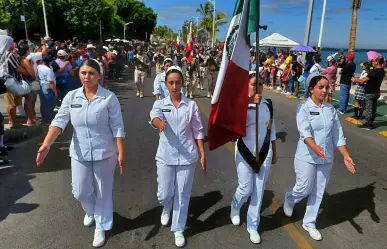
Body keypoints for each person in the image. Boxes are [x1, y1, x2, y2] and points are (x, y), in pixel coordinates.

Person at [36, 59, 125, 248]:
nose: (87, 77)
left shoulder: (109, 98)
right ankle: (92, 211)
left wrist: (121, 153)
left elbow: (118, 127)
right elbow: (59, 122)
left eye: (92, 73)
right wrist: (46, 144)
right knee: (79, 191)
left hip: (105, 152)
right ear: (79, 74)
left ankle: (101, 225)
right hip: (79, 152)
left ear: (99, 75)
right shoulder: (71, 97)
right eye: (84, 73)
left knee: (103, 191)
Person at [283, 74, 356, 241]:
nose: (325, 90)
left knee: (318, 190)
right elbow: (305, 132)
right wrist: (315, 147)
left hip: (326, 157)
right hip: (307, 155)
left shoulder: (330, 110)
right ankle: (291, 198)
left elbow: (337, 135)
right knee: (304, 187)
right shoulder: (303, 108)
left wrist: (346, 156)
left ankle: (309, 222)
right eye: (320, 87)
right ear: (311, 89)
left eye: (326, 87)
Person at [150, 66, 206, 248]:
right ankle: (167, 206)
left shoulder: (191, 105)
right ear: (165, 84)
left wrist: (202, 153)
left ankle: (178, 228)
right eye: (171, 83)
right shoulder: (160, 104)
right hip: (166, 156)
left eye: (178, 82)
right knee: (163, 194)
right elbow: (154, 118)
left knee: (183, 194)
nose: (174, 86)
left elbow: (198, 131)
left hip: (187, 156)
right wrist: (160, 123)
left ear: (182, 83)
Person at [230, 72, 277, 244]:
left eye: (260, 84)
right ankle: (235, 206)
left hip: (264, 152)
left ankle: (253, 225)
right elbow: (234, 130)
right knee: (245, 188)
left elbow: (271, 130)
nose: (257, 87)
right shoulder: (239, 105)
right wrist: (249, 104)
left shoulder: (268, 104)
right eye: (253, 84)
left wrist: (274, 153)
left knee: (258, 191)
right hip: (245, 151)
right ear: (246, 86)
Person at [352, 56, 385, 129]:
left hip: (370, 92)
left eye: (373, 61)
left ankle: (367, 123)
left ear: (377, 62)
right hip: (377, 92)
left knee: (369, 109)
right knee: (373, 109)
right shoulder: (382, 71)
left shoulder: (373, 72)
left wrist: (355, 80)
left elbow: (362, 80)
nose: (372, 62)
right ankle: (371, 122)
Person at [37, 54, 58, 123]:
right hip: (48, 87)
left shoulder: (39, 66)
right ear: (49, 61)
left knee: (43, 103)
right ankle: (47, 118)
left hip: (42, 85)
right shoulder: (48, 70)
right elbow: (51, 82)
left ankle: (44, 118)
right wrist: (55, 92)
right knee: (48, 103)